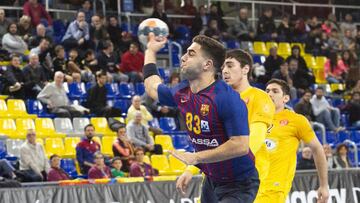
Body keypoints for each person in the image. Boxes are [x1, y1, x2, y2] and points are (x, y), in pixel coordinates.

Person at [143, 33, 258, 202]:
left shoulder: (226, 98)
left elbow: (240, 145)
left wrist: (196, 158)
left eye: (191, 54)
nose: (183, 58)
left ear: (207, 65)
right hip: (212, 180)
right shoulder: (182, 92)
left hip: (239, 183)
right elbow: (151, 87)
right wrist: (150, 50)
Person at [255, 79, 329, 203]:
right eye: (267, 91)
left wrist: (324, 186)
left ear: (286, 98)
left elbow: (317, 149)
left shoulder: (296, 121)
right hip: (248, 186)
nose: (269, 94)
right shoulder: (254, 118)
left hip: (274, 188)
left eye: (275, 91)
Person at [222, 49, 275, 198]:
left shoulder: (259, 98)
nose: (225, 71)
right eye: (223, 67)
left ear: (245, 69)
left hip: (248, 174)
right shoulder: (219, 100)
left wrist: (228, 164)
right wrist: (190, 170)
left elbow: (255, 139)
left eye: (230, 66)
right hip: (220, 175)